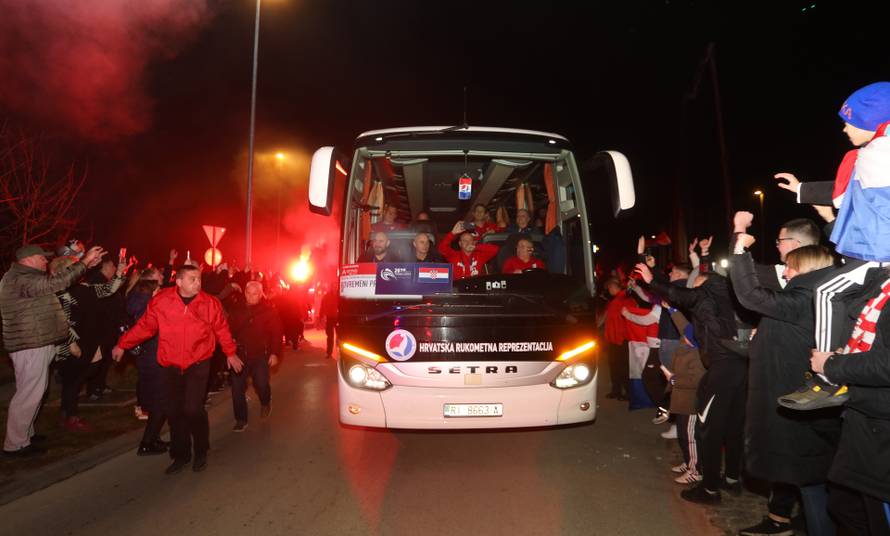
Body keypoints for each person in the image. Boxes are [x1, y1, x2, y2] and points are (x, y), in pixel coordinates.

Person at [773, 82, 890, 409]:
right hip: (875, 252)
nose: (844, 127)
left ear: (872, 120)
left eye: (850, 120)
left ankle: (827, 377)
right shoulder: (876, 153)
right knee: (852, 309)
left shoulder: (878, 153)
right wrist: (802, 190)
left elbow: (844, 193)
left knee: (827, 292)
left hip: (879, 253)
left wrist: (804, 191)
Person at [730, 234, 840, 536]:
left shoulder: (805, 298)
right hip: (795, 399)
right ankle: (784, 521)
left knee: (811, 482)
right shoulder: (810, 297)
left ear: (805, 269)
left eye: (790, 268)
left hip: (796, 401)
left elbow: (751, 295)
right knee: (804, 477)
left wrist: (740, 247)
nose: (786, 273)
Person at [112, 265, 241, 474]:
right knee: (173, 411)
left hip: (198, 362)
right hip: (170, 363)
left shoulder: (209, 303)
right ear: (179, 282)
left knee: (192, 408)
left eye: (198, 278)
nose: (197, 283)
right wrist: (123, 344)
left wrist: (230, 352)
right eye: (192, 279)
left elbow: (221, 329)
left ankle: (200, 450)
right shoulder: (162, 301)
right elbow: (145, 326)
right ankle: (180, 455)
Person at [639, 263, 742, 505]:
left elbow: (683, 302)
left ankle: (708, 487)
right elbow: (686, 322)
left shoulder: (708, 304)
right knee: (730, 428)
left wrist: (653, 280)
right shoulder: (725, 302)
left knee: (707, 431)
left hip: (717, 372)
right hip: (735, 369)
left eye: (694, 286)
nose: (691, 291)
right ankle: (729, 480)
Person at [1, 244, 105, 456]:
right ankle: (15, 444)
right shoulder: (21, 279)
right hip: (30, 344)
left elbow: (55, 284)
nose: (46, 261)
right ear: (28, 259)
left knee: (34, 391)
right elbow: (57, 282)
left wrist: (85, 266)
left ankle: (25, 434)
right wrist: (84, 262)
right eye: (41, 258)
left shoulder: (25, 277)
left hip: (37, 342)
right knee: (28, 394)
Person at [809, 267, 890, 535]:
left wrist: (833, 364)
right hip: (868, 416)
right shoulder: (884, 285)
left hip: (880, 423)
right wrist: (847, 354)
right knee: (845, 505)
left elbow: (886, 364)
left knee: (872, 514)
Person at [52, 254, 128, 433]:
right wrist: (70, 342)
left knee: (78, 379)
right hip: (72, 341)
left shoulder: (85, 287)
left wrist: (119, 272)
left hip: (88, 341)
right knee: (72, 380)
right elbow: (60, 320)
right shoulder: (62, 292)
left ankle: (66, 412)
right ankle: (71, 417)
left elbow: (109, 290)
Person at [227, 281, 283, 431]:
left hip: (260, 355)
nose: (251, 297)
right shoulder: (237, 309)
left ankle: (266, 401)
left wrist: (275, 353)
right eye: (248, 293)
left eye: (254, 294)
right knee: (237, 388)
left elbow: (276, 334)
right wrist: (229, 352)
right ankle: (241, 419)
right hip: (240, 355)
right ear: (245, 293)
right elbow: (227, 331)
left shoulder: (269, 311)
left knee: (261, 383)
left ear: (260, 294)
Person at [126, 269, 169, 456]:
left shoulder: (144, 298)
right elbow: (146, 327)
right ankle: (146, 443)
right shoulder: (143, 303)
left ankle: (153, 438)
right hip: (152, 356)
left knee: (158, 400)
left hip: (153, 354)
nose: (162, 280)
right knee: (160, 401)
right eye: (158, 278)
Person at [321, 285, 338, 358]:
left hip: (338, 317)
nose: (335, 288)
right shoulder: (327, 296)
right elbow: (323, 306)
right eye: (333, 287)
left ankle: (341, 352)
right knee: (330, 336)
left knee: (340, 336)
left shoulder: (339, 295)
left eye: (336, 287)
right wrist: (322, 316)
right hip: (330, 317)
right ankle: (329, 352)